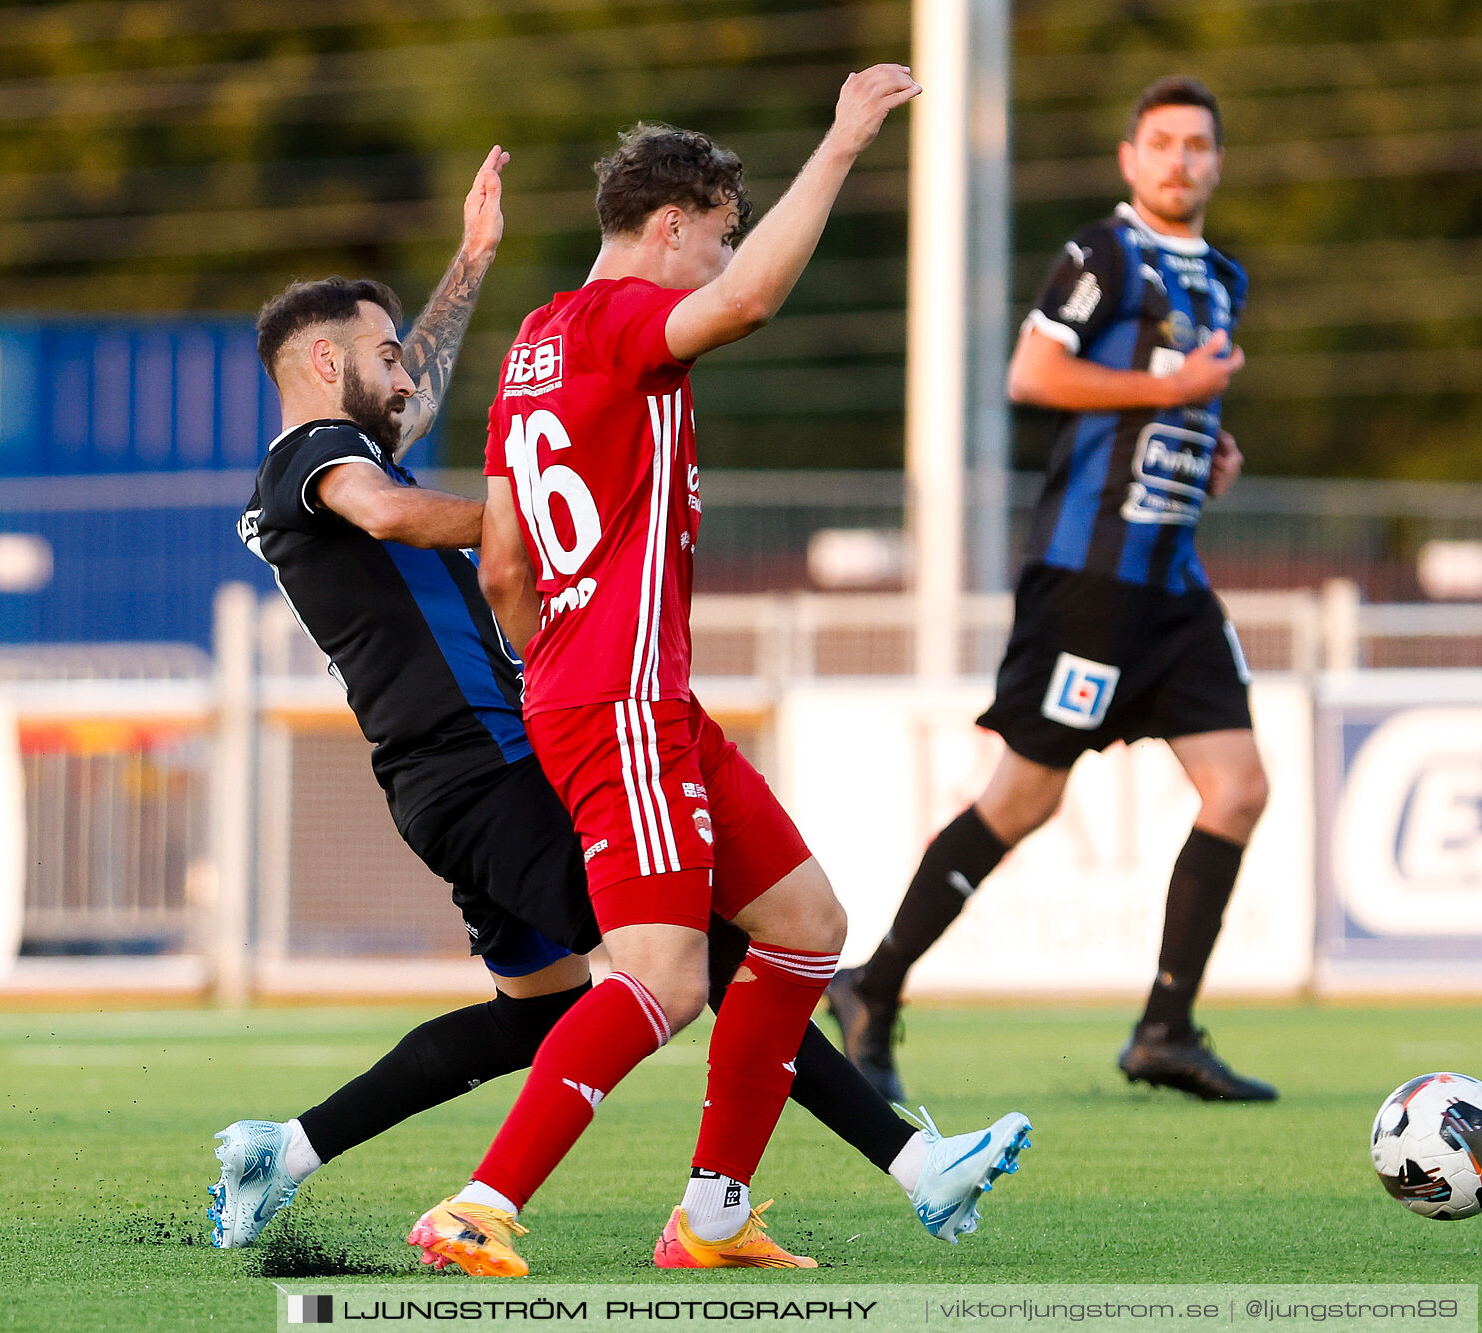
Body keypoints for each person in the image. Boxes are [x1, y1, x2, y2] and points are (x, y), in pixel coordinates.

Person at [210, 146, 1030, 1258]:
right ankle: (888, 1164)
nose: (408, 379)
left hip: (461, 769)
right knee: (700, 954)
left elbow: (415, 409)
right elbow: (391, 513)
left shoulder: (350, 431)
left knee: (549, 1013)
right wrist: (544, 527)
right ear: (319, 360)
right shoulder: (314, 456)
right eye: (384, 358)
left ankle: (287, 1148)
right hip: (487, 765)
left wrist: (469, 262)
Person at [410, 64, 1024, 1279]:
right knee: (660, 974)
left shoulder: (533, 343)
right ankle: (480, 1202)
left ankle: (715, 1213)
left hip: (627, 697)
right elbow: (743, 306)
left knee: (805, 928)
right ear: (670, 226)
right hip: (622, 700)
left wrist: (554, 658)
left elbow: (501, 561)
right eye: (718, 233)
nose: (723, 256)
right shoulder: (622, 321)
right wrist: (843, 141)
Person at [828, 75, 1278, 1105]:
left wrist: (1209, 443)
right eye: (1160, 142)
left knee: (1240, 787)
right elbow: (1034, 374)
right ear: (1130, 159)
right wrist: (1169, 394)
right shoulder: (1104, 252)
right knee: (1024, 798)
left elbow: (1165, 404)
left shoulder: (1222, 277)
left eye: (1197, 145)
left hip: (1173, 585)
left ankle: (1164, 1029)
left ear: (1217, 160)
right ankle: (874, 983)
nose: (1179, 160)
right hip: (1089, 583)